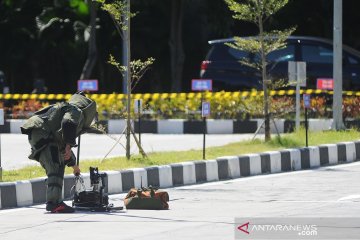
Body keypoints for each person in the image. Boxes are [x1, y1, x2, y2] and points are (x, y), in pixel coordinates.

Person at [21, 92, 98, 213]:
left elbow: (62, 145)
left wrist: (74, 166)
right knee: (55, 166)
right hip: (43, 133)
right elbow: (67, 123)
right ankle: (54, 203)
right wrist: (68, 146)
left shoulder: (67, 108)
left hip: (41, 133)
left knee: (59, 161)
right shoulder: (76, 111)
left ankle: (55, 202)